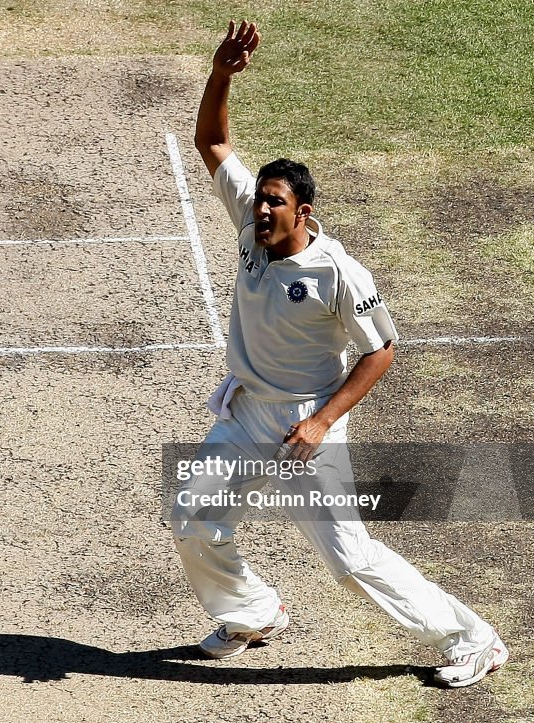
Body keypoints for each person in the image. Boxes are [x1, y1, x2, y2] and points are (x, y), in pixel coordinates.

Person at [170, 20, 508, 688]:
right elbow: (212, 140)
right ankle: (251, 613)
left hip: (305, 427)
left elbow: (382, 349)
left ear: (303, 212)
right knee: (191, 513)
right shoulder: (248, 224)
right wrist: (222, 74)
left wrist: (322, 421)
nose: (261, 212)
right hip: (246, 411)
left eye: (275, 204)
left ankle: (474, 636)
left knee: (349, 559)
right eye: (260, 200)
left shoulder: (337, 273)